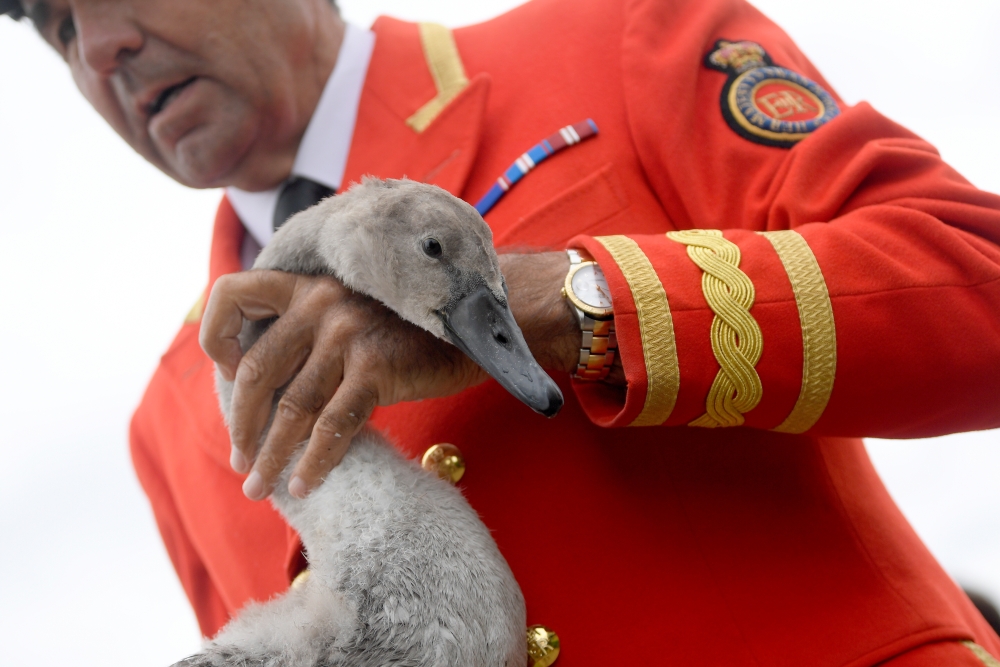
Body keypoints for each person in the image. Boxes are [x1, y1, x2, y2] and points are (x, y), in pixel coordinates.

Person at [6, 0, 1000, 664]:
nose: (99, 53)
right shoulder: (170, 419)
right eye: (56, 27)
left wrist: (564, 303)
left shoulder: (611, 42)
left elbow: (977, 285)